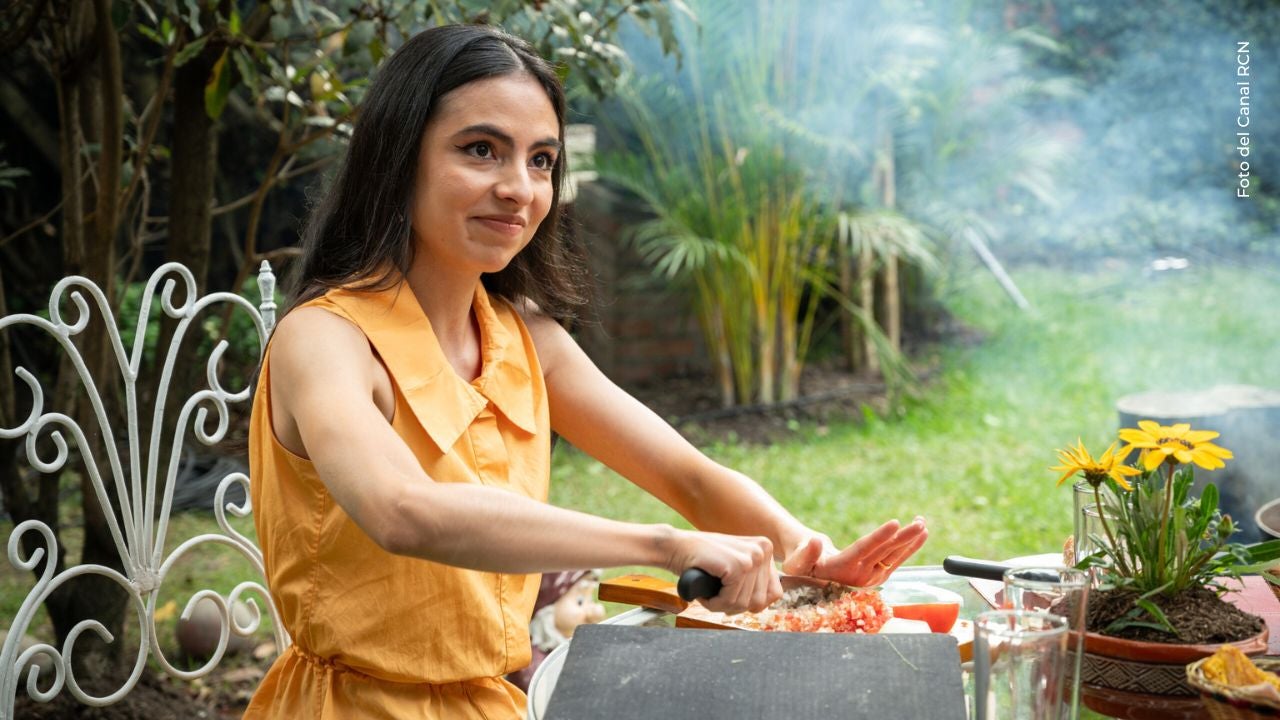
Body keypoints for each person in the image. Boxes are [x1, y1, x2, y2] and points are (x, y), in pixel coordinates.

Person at [243, 23, 928, 720]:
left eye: (541, 160)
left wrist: (801, 549)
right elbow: (402, 510)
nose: (519, 188)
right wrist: (664, 545)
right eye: (480, 150)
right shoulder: (324, 339)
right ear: (397, 157)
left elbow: (688, 477)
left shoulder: (524, 337)